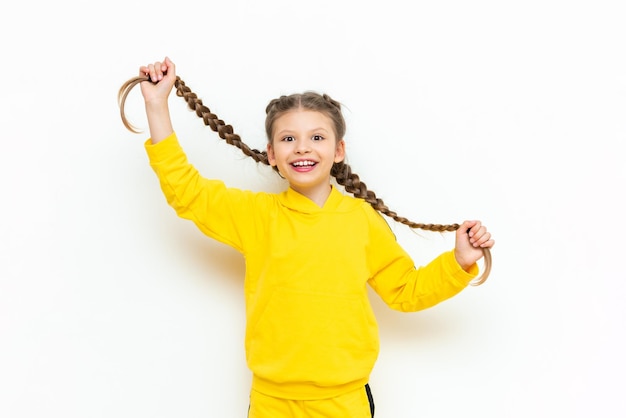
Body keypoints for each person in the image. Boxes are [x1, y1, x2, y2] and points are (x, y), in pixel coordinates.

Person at [129, 56, 495, 418]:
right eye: (288, 138)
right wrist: (156, 105)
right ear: (272, 154)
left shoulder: (361, 221)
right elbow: (187, 191)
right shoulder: (257, 216)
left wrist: (459, 260)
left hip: (343, 402)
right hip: (272, 401)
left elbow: (405, 290)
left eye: (316, 137)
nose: (302, 147)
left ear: (338, 150)